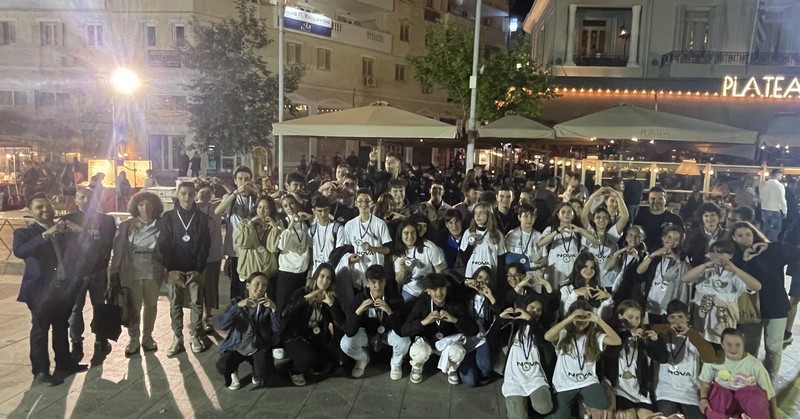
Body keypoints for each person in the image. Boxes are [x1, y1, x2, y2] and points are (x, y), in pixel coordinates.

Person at [14, 193, 89, 386]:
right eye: (39, 207)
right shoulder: (25, 233)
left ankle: (64, 363)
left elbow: (80, 253)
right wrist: (47, 234)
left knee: (61, 326)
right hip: (40, 291)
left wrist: (79, 233)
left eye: (48, 205)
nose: (45, 209)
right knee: (40, 330)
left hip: (64, 288)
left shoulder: (64, 231)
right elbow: (20, 251)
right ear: (30, 211)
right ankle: (40, 371)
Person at [729, 221, 799, 377]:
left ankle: (769, 380)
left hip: (775, 305)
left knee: (773, 347)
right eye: (740, 235)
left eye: (748, 234)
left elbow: (796, 252)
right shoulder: (735, 257)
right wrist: (745, 261)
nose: (745, 238)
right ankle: (748, 381)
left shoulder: (771, 251)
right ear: (733, 238)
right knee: (749, 347)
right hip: (749, 308)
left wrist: (770, 246)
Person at [158, 182, 211, 356]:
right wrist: (171, 269)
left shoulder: (201, 217)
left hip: (195, 269)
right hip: (175, 270)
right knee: (175, 303)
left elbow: (205, 244)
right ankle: (177, 337)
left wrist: (199, 268)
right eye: (183, 193)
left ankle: (195, 334)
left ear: (195, 195)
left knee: (196, 303)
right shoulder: (168, 217)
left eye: (190, 194)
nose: (187, 197)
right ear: (177, 194)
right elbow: (164, 244)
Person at [544, 299, 621, 419]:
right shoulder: (564, 333)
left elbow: (617, 341)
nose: (581, 321)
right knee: (558, 417)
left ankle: (585, 401)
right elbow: (547, 336)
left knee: (604, 403)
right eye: (578, 318)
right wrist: (569, 319)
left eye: (585, 318)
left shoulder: (594, 336)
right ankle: (581, 405)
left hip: (587, 381)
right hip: (564, 383)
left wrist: (598, 320)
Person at [64, 187, 117, 360]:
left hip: (98, 271)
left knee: (100, 306)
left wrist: (83, 233)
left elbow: (107, 243)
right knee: (75, 309)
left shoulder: (106, 220)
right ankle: (76, 342)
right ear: (76, 200)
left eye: (89, 197)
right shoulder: (67, 220)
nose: (86, 200)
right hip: (76, 273)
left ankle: (101, 339)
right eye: (82, 197)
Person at [109, 192, 165, 355]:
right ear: (136, 207)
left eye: (148, 204)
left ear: (155, 206)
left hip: (153, 271)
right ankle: (133, 339)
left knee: (151, 306)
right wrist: (114, 271)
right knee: (134, 307)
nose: (145, 208)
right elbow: (118, 251)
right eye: (141, 205)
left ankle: (147, 337)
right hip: (131, 272)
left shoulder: (161, 225)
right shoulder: (126, 226)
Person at [401, 273, 478, 385]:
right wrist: (424, 322)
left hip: (448, 342)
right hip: (427, 341)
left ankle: (452, 368)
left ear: (446, 289)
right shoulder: (422, 304)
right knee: (420, 351)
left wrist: (455, 320)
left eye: (442, 288)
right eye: (434, 289)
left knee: (458, 352)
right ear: (428, 291)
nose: (439, 293)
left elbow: (473, 330)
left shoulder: (455, 304)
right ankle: (417, 366)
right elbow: (404, 330)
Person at [682, 240, 762, 345]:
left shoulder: (735, 276)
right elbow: (685, 279)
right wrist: (707, 264)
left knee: (721, 349)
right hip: (702, 320)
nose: (717, 255)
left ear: (730, 255)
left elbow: (757, 286)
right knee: (701, 349)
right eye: (713, 252)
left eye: (721, 252)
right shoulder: (705, 272)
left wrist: (735, 269)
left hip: (724, 321)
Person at [650, 300, 717, 419]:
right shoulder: (662, 334)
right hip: (665, 392)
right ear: (667, 319)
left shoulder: (696, 336)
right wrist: (668, 328)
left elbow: (711, 358)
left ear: (688, 318)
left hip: (690, 393)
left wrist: (691, 333)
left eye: (680, 317)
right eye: (672, 317)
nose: (677, 321)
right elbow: (649, 328)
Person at [341, 265, 410, 380]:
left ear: (385, 282)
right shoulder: (359, 299)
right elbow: (349, 332)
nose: (377, 286)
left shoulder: (395, 298)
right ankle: (362, 359)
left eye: (380, 282)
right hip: (367, 333)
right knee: (345, 343)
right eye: (373, 282)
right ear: (367, 283)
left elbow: (401, 330)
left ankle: (396, 363)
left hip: (388, 333)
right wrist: (359, 311)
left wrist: (389, 312)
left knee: (404, 341)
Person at [601, 300, 667, 419]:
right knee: (629, 416)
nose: (634, 321)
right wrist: (628, 335)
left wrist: (655, 342)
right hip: (619, 389)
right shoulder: (614, 335)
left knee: (649, 416)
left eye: (637, 318)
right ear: (620, 316)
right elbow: (609, 354)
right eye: (630, 317)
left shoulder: (644, 336)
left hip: (640, 390)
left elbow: (663, 358)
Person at [281, 264, 344, 386]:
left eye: (328, 278)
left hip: (316, 338)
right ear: (316, 277)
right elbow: (285, 313)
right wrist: (306, 298)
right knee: (308, 357)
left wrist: (331, 305)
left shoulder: (330, 297)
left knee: (335, 360)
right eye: (322, 276)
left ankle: (308, 364)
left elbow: (340, 322)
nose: (324, 281)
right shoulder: (302, 292)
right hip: (295, 337)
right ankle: (294, 370)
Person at [216, 272, 277, 390]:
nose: (260, 288)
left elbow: (277, 328)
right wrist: (238, 307)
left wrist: (274, 309)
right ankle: (233, 370)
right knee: (222, 366)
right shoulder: (236, 302)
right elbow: (222, 325)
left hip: (257, 346)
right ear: (248, 285)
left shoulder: (267, 305)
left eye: (264, 285)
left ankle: (256, 370)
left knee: (265, 375)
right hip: (237, 346)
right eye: (257, 284)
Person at [699, 328, 776, 419]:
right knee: (712, 407)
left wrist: (774, 417)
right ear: (722, 345)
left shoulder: (755, 365)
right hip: (723, 393)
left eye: (737, 345)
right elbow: (705, 381)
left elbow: (769, 393)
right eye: (729, 344)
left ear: (743, 345)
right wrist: (703, 398)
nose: (733, 348)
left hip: (747, 394)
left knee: (758, 400)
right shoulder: (713, 360)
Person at [499, 293, 555, 418]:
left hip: (535, 375)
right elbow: (491, 339)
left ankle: (531, 400)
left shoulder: (543, 326)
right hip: (515, 376)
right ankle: (521, 401)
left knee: (545, 408)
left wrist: (530, 320)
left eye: (539, 310)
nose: (535, 312)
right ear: (524, 308)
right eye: (532, 308)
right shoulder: (514, 325)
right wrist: (500, 319)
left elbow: (542, 339)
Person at [216, 166, 259, 299]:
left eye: (247, 179)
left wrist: (258, 193)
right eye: (240, 179)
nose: (243, 182)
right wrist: (235, 193)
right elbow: (218, 211)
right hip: (235, 250)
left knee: (252, 284)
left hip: (252, 249)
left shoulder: (255, 199)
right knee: (235, 285)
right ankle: (236, 309)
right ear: (235, 181)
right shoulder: (230, 198)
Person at [636, 224, 690, 324]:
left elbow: (685, 278)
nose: (671, 241)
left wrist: (676, 259)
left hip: (669, 305)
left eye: (676, 239)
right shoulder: (655, 253)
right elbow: (639, 271)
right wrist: (653, 255)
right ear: (663, 237)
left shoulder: (682, 258)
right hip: (651, 302)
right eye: (669, 237)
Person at [458, 267, 503, 387]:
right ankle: (469, 363)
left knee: (485, 365)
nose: (483, 281)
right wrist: (466, 282)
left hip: (483, 337)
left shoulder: (495, 296)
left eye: (487, 279)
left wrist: (491, 298)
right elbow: (448, 273)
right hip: (467, 336)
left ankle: (482, 369)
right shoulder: (467, 294)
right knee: (470, 382)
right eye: (480, 277)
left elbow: (502, 317)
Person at [538, 203, 598, 288]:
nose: (566, 214)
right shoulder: (551, 229)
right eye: (563, 212)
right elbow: (540, 243)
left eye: (569, 212)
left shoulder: (577, 232)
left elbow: (596, 242)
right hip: (554, 272)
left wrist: (581, 231)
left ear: (573, 215)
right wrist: (557, 232)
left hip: (572, 273)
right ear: (558, 215)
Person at [342, 189, 392, 287]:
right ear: (356, 203)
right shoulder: (349, 225)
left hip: (376, 274)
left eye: (367, 201)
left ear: (372, 203)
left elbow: (388, 249)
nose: (364, 204)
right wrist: (350, 257)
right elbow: (346, 250)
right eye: (360, 201)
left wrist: (372, 248)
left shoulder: (380, 224)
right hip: (357, 273)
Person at [394, 220, 446, 302]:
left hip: (429, 288)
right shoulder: (398, 252)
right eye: (406, 233)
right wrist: (403, 269)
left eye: (413, 233)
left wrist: (433, 288)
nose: (410, 236)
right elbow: (399, 281)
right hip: (410, 290)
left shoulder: (428, 246)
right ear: (400, 235)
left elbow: (440, 271)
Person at [196, 181, 224, 332]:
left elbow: (231, 196)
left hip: (213, 255)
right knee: (196, 289)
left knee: (210, 288)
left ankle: (208, 317)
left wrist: (223, 183)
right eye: (202, 192)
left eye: (208, 192)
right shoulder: (191, 207)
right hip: (195, 257)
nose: (205, 195)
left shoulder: (216, 207)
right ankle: (196, 318)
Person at [234, 196, 280, 288]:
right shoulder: (245, 223)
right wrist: (250, 224)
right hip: (249, 271)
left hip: (267, 272)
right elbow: (244, 244)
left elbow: (273, 248)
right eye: (259, 207)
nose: (261, 211)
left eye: (266, 208)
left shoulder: (277, 225)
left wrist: (275, 228)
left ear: (271, 210)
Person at [460, 202, 506, 278]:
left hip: (490, 276)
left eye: (481, 213)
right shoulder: (468, 232)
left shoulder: (497, 234)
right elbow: (464, 258)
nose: (477, 216)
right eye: (476, 213)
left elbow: (501, 259)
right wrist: (470, 245)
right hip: (471, 274)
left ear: (488, 215)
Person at [559, 252, 613, 317]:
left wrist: (608, 299)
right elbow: (564, 314)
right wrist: (574, 294)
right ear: (578, 267)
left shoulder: (599, 287)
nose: (589, 270)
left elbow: (601, 316)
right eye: (585, 267)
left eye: (592, 268)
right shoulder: (566, 288)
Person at [633, 186, 683, 251]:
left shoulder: (675, 219)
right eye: (653, 198)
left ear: (665, 199)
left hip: (666, 254)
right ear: (648, 199)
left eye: (660, 198)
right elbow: (634, 237)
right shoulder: (640, 217)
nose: (656, 201)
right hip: (644, 253)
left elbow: (681, 242)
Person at [683, 202, 727, 267]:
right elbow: (685, 253)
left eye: (713, 215)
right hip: (698, 268)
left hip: (722, 268)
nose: (710, 218)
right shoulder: (693, 234)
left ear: (718, 216)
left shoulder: (726, 235)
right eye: (706, 216)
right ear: (702, 218)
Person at [309, 195, 345, 273]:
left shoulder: (338, 228)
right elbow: (310, 253)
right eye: (320, 211)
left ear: (329, 209)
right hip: (316, 271)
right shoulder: (312, 229)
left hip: (332, 271)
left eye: (326, 210)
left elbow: (339, 252)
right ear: (314, 211)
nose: (323, 214)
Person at [504, 204, 543, 272]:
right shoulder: (512, 235)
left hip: (534, 272)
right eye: (526, 216)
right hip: (516, 274)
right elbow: (508, 258)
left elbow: (543, 257)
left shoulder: (539, 235)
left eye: (532, 216)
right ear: (519, 217)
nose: (529, 219)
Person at [758, 169, 786, 241]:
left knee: (765, 229)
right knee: (775, 230)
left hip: (764, 208)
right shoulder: (779, 185)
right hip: (775, 209)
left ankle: (764, 242)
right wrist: (784, 211)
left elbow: (761, 197)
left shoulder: (763, 184)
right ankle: (772, 244)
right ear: (778, 175)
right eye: (781, 176)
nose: (781, 177)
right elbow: (782, 199)